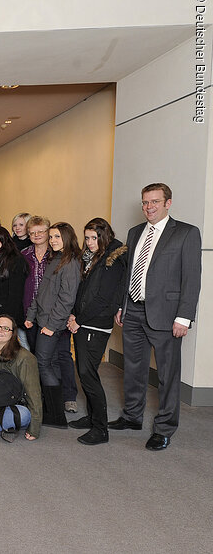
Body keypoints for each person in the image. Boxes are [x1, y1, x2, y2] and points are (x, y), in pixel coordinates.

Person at [111, 183, 202, 451]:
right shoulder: (135, 231)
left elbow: (192, 279)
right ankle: (132, 416)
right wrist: (122, 306)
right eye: (145, 202)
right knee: (134, 370)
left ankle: (164, 429)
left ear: (168, 203)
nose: (149, 207)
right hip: (134, 311)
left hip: (167, 315)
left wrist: (184, 317)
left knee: (167, 376)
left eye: (154, 202)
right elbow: (129, 274)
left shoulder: (186, 233)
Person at [66, 218, 127, 445]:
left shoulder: (113, 260)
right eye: (88, 237)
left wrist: (78, 320)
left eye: (95, 238)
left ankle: (101, 429)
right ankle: (92, 417)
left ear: (105, 236)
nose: (90, 242)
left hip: (95, 325)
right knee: (84, 372)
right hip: (83, 322)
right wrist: (74, 315)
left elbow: (103, 299)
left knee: (88, 375)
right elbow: (83, 292)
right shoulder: (94, 259)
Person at [25, 222, 81, 427]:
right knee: (52, 364)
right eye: (52, 237)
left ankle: (56, 414)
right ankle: (53, 408)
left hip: (51, 323)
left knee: (43, 363)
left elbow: (67, 299)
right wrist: (31, 315)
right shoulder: (56, 259)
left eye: (57, 237)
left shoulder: (71, 263)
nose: (53, 241)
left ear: (67, 238)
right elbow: (41, 293)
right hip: (43, 319)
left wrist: (52, 324)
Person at [20, 215, 51, 351]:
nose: (36, 235)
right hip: (29, 313)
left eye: (40, 231)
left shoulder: (56, 255)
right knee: (33, 349)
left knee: (49, 353)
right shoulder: (24, 255)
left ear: (48, 232)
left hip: (51, 313)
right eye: (32, 232)